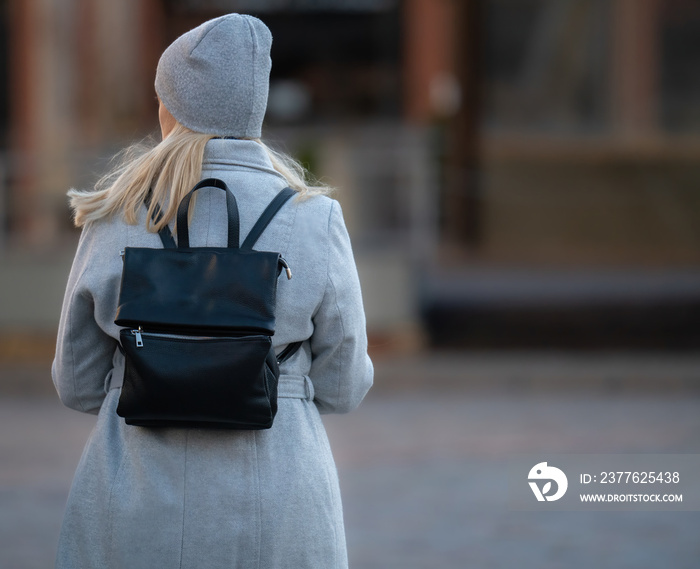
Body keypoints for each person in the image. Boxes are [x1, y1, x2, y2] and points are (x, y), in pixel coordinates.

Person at [52, 14, 373, 569]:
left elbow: (77, 384)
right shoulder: (314, 218)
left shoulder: (115, 216)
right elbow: (344, 386)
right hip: (280, 507)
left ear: (171, 107)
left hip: (134, 503)